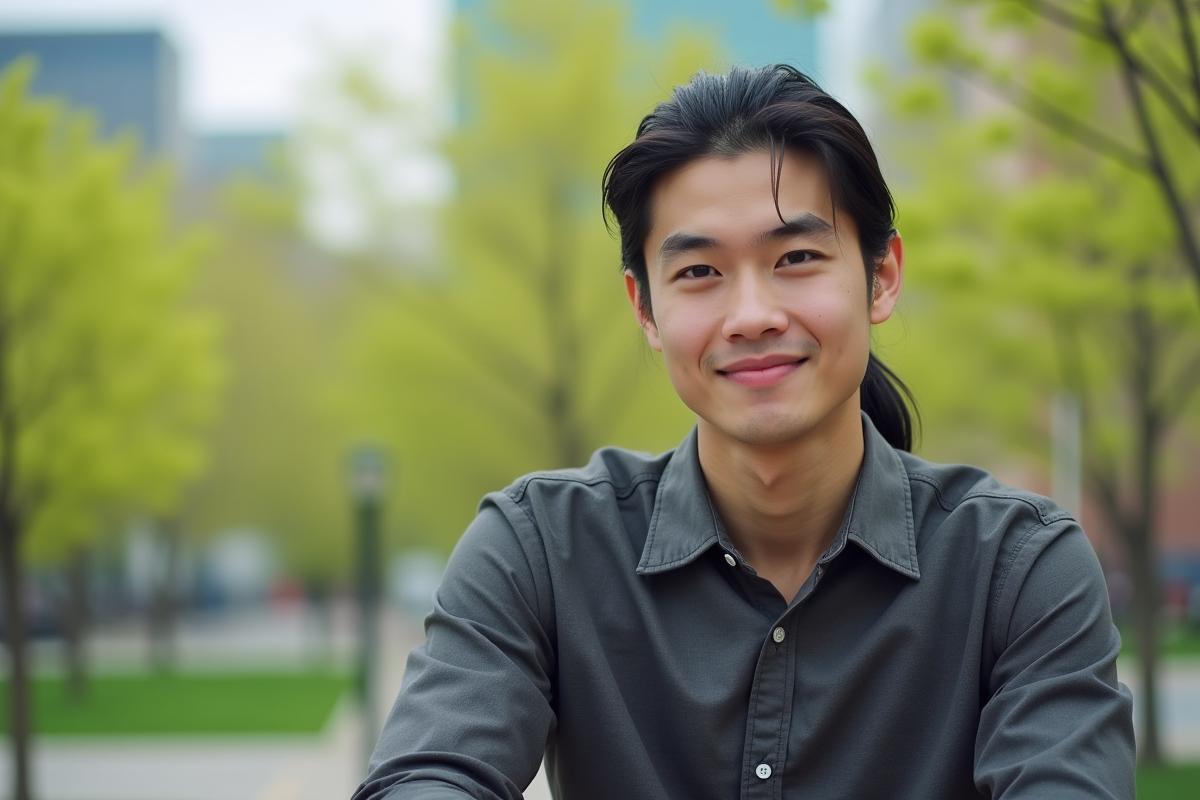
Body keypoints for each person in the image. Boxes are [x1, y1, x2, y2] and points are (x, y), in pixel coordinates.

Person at [354, 64, 1135, 800]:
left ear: (882, 277)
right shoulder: (538, 551)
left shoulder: (1020, 569)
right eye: (699, 272)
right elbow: (429, 775)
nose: (753, 315)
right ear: (645, 310)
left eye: (796, 256)